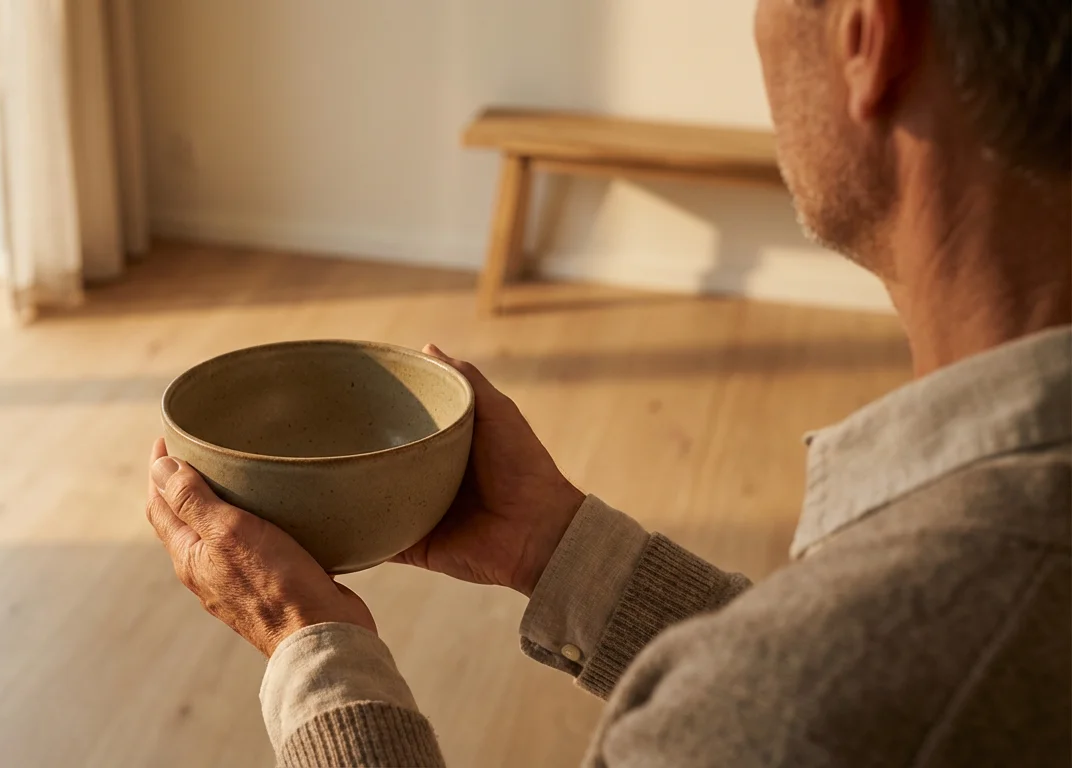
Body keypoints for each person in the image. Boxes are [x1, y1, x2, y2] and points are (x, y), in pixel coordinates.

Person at [143, 0, 1072, 764]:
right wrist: (558, 546)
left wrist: (312, 647)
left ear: (871, 37)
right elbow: (879, 684)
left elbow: (809, 701)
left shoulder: (782, 708)